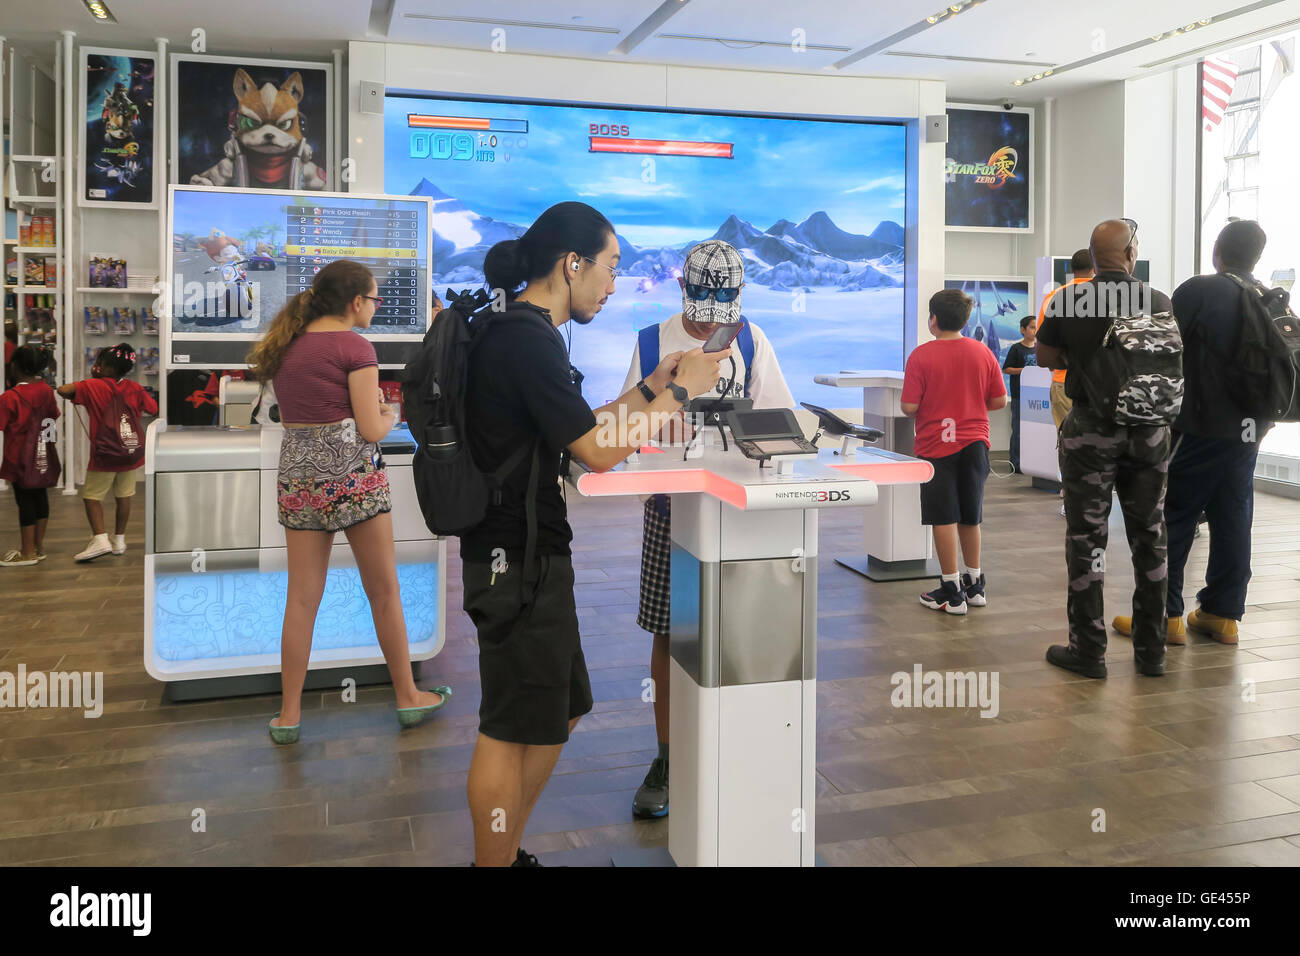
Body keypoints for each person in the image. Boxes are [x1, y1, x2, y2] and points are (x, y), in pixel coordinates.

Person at [461, 201, 726, 866]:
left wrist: (649, 388)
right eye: (608, 268)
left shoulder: (525, 334)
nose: (613, 285)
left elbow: (584, 425)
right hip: (516, 559)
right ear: (570, 263)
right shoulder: (525, 340)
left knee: (561, 710)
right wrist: (683, 394)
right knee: (509, 727)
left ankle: (507, 851)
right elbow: (597, 451)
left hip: (531, 556)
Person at [619, 238, 795, 820]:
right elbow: (623, 426)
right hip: (672, 508)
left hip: (739, 507)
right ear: (683, 290)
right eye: (703, 304)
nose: (712, 318)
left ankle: (736, 748)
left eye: (724, 304)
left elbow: (777, 415)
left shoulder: (751, 338)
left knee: (740, 634)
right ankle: (668, 755)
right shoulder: (652, 342)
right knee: (670, 634)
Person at [246, 260, 451, 745]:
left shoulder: (287, 345)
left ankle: (289, 714)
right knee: (383, 592)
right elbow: (369, 428)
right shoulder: (356, 347)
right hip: (353, 478)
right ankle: (407, 697)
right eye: (375, 299)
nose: (377, 307)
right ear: (355, 302)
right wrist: (389, 411)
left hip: (299, 478)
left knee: (301, 598)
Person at [1114, 220, 1272, 647]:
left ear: (1217, 251)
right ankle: (1222, 615)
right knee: (1232, 515)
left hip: (1202, 425)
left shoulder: (1200, 290)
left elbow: (1160, 348)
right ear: (1256, 256)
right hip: (1251, 429)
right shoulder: (1265, 297)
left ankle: (1163, 616)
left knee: (1171, 516)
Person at [1036, 219, 1175, 679]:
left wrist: (1084, 358)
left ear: (1092, 257)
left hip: (1092, 433)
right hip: (1151, 433)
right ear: (1131, 256)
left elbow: (1046, 358)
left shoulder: (1071, 298)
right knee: (1150, 537)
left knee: (1087, 538)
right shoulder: (1157, 300)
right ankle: (1152, 653)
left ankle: (1089, 651)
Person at [902, 289, 1007, 614]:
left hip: (936, 447)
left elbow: (909, 406)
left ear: (933, 320)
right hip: (976, 444)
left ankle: (950, 589)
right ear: (964, 319)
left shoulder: (921, 356)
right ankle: (974, 584)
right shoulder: (983, 352)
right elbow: (999, 401)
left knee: (943, 517)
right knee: (970, 515)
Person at [57, 344, 158, 562]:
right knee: (124, 496)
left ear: (108, 367)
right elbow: (152, 408)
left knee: (92, 497)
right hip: (131, 452)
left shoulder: (93, 385)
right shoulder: (135, 387)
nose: (97, 366)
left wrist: (88, 382)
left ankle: (100, 539)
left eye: (100, 363)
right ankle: (119, 540)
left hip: (105, 454)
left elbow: (63, 390)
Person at [1038, 248, 1095, 515]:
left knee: (1067, 440)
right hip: (1102, 386)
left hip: (1063, 382)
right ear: (1095, 268)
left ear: (1071, 269)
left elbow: (1044, 351)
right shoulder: (1113, 297)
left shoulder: (1055, 296)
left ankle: (1070, 499)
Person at [0, 345, 59, 566]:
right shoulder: (46, 392)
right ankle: (37, 547)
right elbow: (52, 419)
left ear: (15, 367)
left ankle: (26, 552)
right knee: (40, 498)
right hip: (43, 454)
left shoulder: (10, 397)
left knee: (24, 503)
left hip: (19, 459)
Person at [1001, 315, 1038, 474]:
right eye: (1032, 327)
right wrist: (1024, 371)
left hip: (1037, 396)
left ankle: (1034, 461)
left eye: (1037, 327)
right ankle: (1016, 463)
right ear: (1023, 330)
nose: (1035, 330)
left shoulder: (1040, 348)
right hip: (1019, 396)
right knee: (1018, 431)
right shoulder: (1016, 348)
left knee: (1035, 431)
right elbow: (1006, 368)